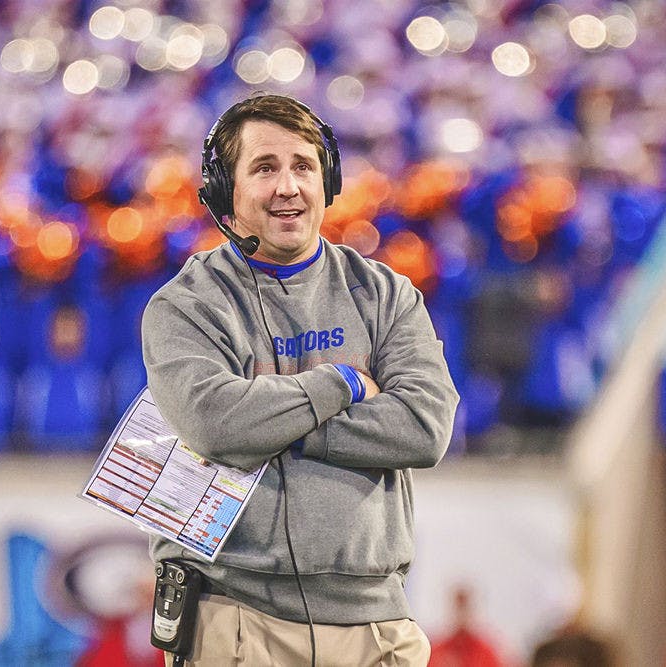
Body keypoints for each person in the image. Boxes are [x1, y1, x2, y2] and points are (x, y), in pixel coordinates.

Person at [141, 94, 459, 666]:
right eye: (265, 168)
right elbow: (215, 423)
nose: (288, 186)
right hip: (232, 618)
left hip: (376, 623)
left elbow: (424, 427)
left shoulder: (387, 294)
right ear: (225, 195)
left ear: (327, 181)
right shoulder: (184, 307)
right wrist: (341, 383)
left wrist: (264, 424)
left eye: (303, 166)